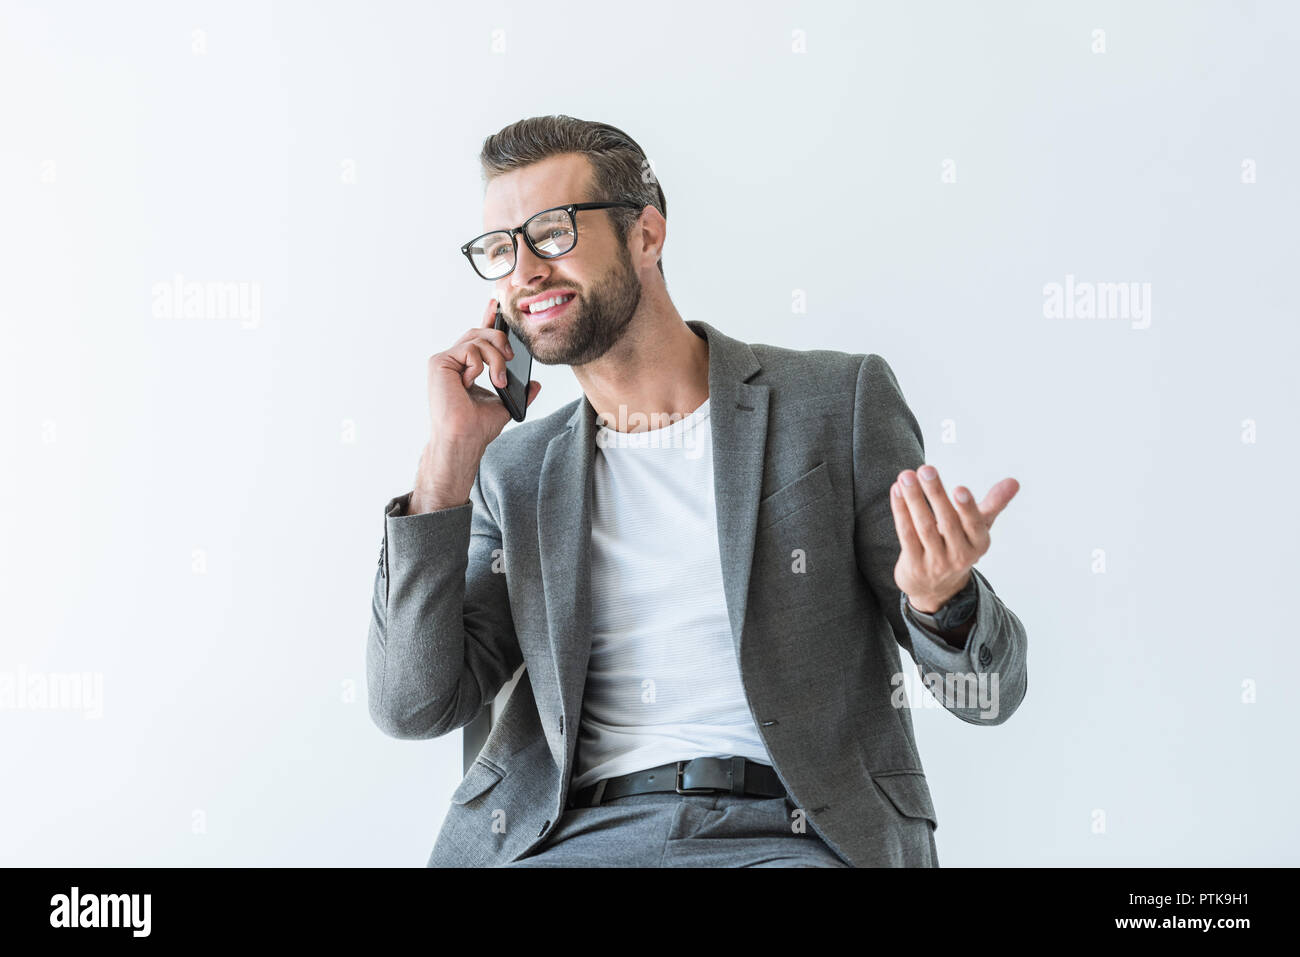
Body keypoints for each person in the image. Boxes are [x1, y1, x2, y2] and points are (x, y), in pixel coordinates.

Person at [366, 114, 1028, 867]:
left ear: (647, 235)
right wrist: (446, 465)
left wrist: (943, 601)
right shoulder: (513, 472)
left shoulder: (835, 403)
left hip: (791, 833)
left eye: (551, 232)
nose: (524, 272)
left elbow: (992, 694)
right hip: (568, 839)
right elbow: (412, 705)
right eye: (500, 249)